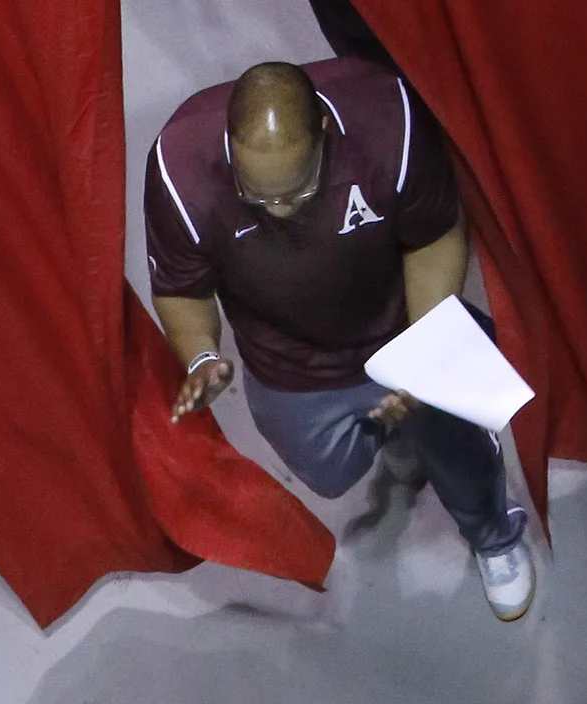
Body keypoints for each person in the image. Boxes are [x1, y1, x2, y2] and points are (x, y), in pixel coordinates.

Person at [145, 57, 535, 622]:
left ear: (324, 133)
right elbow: (181, 288)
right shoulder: (178, 168)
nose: (281, 211)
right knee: (332, 477)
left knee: (460, 455)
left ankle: (495, 534)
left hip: (399, 333)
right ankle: (400, 434)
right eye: (260, 197)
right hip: (287, 366)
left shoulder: (388, 120)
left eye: (296, 192)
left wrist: (426, 351)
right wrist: (201, 354)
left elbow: (435, 236)